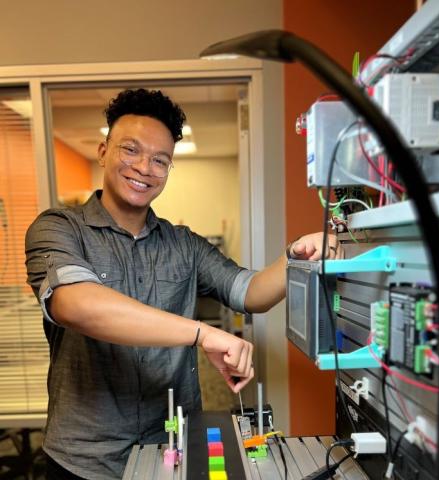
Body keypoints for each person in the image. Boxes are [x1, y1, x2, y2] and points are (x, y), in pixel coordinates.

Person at [25, 88, 343, 480]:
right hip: (85, 460)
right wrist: (201, 334)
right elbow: (76, 304)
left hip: (172, 450)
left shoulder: (185, 245)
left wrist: (295, 253)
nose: (145, 167)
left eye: (161, 160)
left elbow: (250, 292)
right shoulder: (58, 229)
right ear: (104, 151)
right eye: (131, 150)